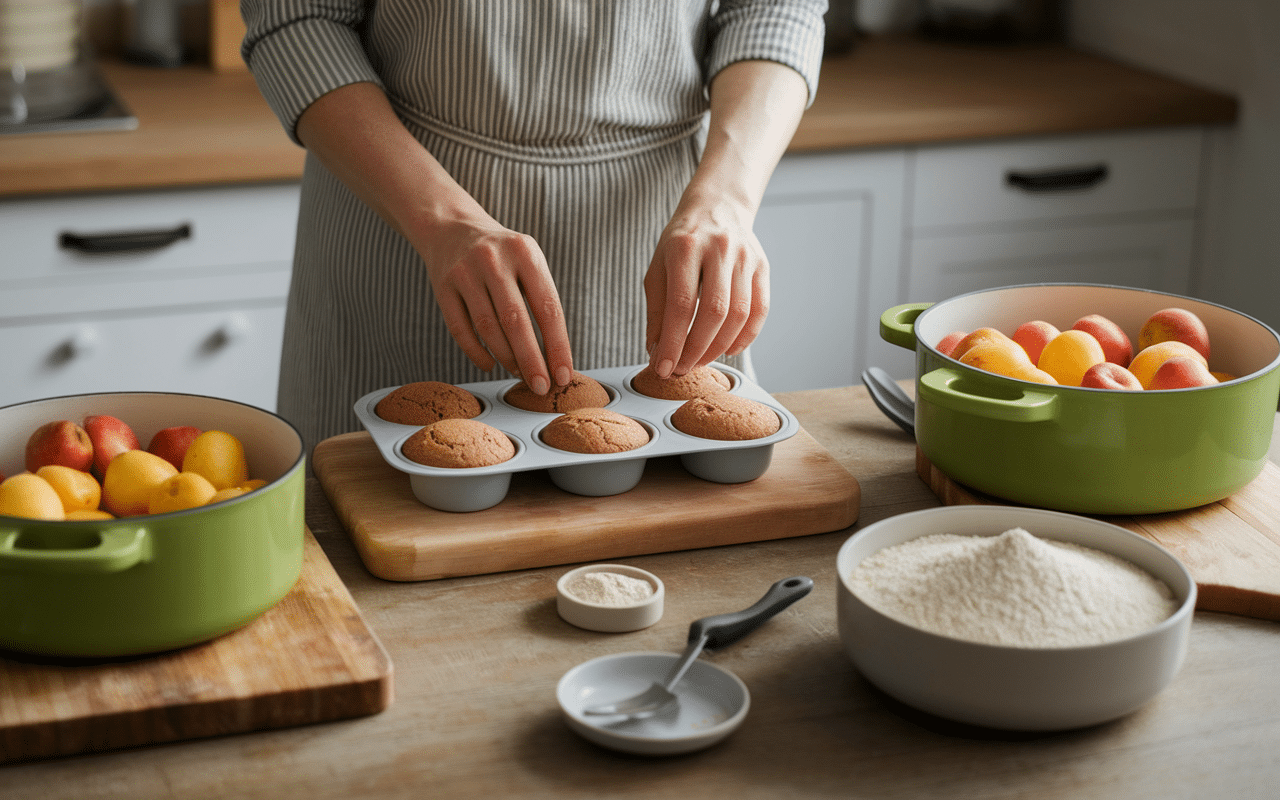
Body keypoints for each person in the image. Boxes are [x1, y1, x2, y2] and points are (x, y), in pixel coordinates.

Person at [241, 0, 827, 452]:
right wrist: (441, 220)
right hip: (398, 212)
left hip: (654, 228)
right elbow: (299, 17)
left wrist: (725, 199)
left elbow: (776, 9)